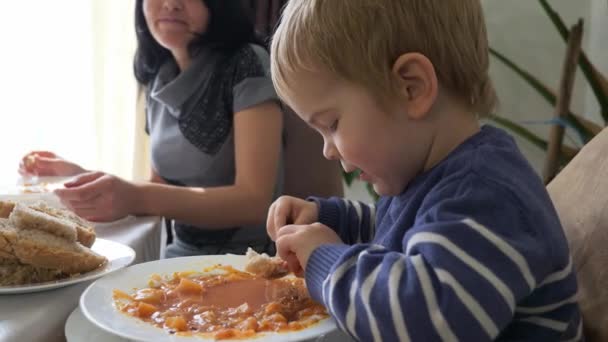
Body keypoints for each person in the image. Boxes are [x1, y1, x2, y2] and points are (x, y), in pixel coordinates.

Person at [265, 0, 582, 341]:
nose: (328, 150)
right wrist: (328, 218)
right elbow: (398, 231)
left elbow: (427, 321)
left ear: (411, 88)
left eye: (332, 124)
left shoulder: (489, 193)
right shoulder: (433, 179)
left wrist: (325, 261)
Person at [19, 0, 283, 257]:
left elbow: (254, 202)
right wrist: (81, 176)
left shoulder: (246, 62)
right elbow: (161, 186)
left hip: (248, 259)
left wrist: (136, 197)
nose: (171, 4)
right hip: (178, 255)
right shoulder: (158, 77)